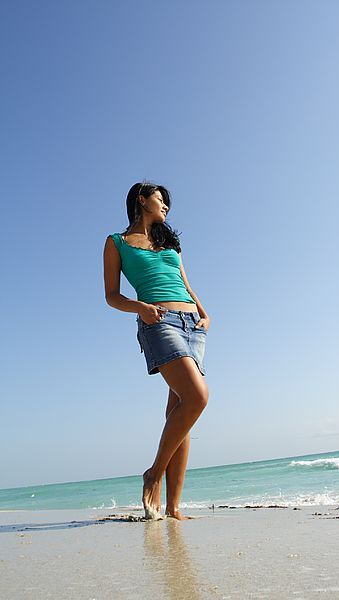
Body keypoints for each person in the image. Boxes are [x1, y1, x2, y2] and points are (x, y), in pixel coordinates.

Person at [103, 181, 210, 521]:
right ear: (141, 200)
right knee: (197, 397)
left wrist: (204, 313)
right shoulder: (116, 242)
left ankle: (173, 507)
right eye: (160, 200)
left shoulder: (170, 244)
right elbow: (111, 295)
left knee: (180, 413)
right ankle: (153, 474)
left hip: (192, 325)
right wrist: (140, 308)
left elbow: (185, 283)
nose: (165, 206)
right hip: (158, 321)